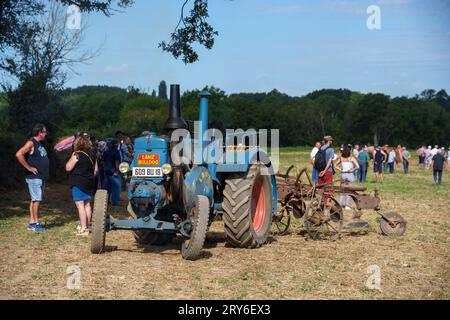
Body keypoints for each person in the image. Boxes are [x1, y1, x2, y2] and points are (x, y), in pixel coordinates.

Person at [15, 123, 49, 232]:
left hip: (40, 176)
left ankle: (32, 222)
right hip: (34, 177)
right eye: (45, 131)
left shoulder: (40, 143)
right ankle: (36, 224)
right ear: (40, 132)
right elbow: (19, 154)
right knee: (37, 199)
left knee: (35, 199)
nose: (46, 133)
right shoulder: (31, 142)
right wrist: (28, 167)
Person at [65, 135, 98, 235]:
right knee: (87, 204)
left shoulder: (76, 154)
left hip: (78, 182)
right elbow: (96, 171)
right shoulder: (93, 155)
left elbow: (68, 168)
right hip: (89, 182)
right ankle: (87, 226)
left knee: (80, 205)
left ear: (77, 143)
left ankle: (83, 228)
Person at [335, 145, 359, 210]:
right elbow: (357, 166)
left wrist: (340, 169)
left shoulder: (341, 158)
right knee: (350, 190)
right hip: (350, 174)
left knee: (342, 190)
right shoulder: (352, 158)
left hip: (343, 174)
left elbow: (335, 165)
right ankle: (347, 205)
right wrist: (352, 170)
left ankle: (339, 204)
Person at [102, 139, 121, 205]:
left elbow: (103, 162)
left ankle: (106, 201)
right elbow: (117, 162)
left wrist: (104, 170)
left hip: (107, 172)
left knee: (106, 188)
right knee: (116, 187)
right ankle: (115, 202)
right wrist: (117, 171)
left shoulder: (106, 151)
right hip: (113, 172)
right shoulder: (116, 151)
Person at [316, 136, 335, 201]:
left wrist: (321, 170)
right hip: (328, 171)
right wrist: (324, 170)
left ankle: (320, 201)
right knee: (328, 187)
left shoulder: (320, 149)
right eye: (331, 140)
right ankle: (326, 202)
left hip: (319, 170)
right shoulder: (331, 149)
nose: (332, 142)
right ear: (329, 141)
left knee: (321, 187)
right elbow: (330, 161)